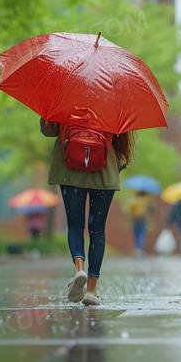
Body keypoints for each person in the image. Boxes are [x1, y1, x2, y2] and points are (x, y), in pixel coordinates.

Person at [40, 117, 135, 305]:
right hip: (104, 166)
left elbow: (49, 130)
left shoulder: (66, 96)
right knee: (97, 228)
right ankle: (91, 289)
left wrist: (47, 116)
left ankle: (79, 269)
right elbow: (121, 134)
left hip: (69, 166)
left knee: (75, 224)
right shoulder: (111, 97)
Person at [127, 190, 156, 257]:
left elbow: (130, 210)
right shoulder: (146, 200)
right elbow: (152, 209)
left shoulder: (134, 199)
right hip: (143, 218)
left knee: (136, 234)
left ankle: (136, 249)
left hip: (135, 218)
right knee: (142, 234)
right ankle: (140, 249)